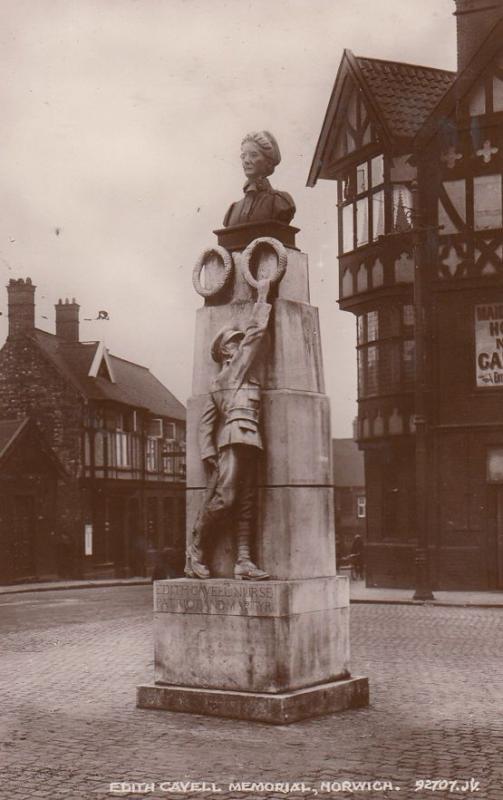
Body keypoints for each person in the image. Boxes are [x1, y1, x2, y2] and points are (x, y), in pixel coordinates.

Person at [185, 277, 273, 581]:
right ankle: (195, 552)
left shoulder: (245, 378)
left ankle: (244, 561)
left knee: (246, 503)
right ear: (225, 352)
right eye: (234, 342)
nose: (239, 345)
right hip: (234, 440)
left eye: (238, 340)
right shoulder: (227, 377)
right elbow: (256, 336)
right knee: (224, 500)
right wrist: (261, 298)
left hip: (251, 441)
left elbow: (206, 423)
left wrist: (207, 450)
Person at [223, 131, 296, 227]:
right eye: (243, 156)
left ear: (268, 161)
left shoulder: (281, 201)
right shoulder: (233, 210)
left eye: (253, 155)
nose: (246, 161)